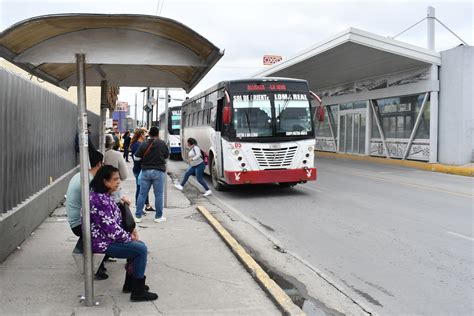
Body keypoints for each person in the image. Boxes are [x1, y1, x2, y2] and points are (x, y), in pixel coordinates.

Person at [89, 165, 158, 302]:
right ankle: (137, 291)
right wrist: (129, 237)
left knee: (138, 246)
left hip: (105, 239)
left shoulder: (103, 196)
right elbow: (111, 229)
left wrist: (129, 235)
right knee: (140, 249)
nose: (118, 182)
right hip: (102, 243)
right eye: (115, 179)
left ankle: (131, 284)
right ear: (105, 181)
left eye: (118, 179)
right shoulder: (100, 200)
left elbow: (114, 224)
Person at [65, 149, 108, 279]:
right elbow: (97, 205)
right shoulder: (89, 181)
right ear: (99, 164)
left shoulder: (80, 175)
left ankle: (103, 258)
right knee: (109, 228)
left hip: (76, 221)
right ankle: (97, 267)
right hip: (79, 224)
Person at [134, 126, 169, 223]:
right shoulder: (162, 144)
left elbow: (136, 158)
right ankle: (158, 217)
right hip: (159, 171)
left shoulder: (144, 144)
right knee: (158, 194)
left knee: (142, 194)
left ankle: (138, 216)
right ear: (158, 134)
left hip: (145, 171)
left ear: (149, 134)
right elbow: (166, 157)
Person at [130, 128, 155, 214]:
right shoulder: (137, 145)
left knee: (145, 188)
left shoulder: (139, 144)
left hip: (140, 169)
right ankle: (138, 208)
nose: (146, 136)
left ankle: (147, 205)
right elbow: (136, 158)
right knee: (140, 189)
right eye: (144, 134)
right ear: (141, 135)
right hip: (139, 170)